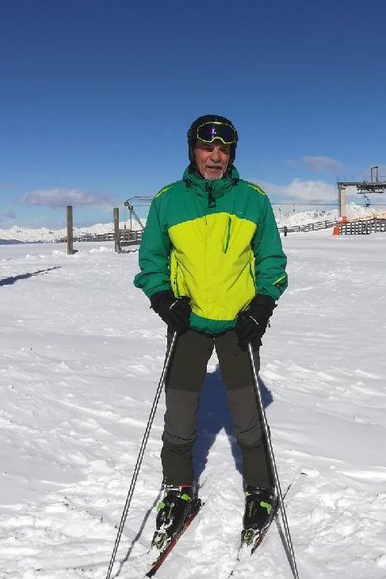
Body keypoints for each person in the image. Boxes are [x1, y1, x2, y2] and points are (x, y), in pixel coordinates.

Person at [133, 114, 288, 539]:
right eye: (207, 148)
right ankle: (179, 488)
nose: (215, 156)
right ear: (193, 150)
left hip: (240, 325)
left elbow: (272, 260)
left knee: (246, 415)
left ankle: (259, 489)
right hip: (189, 324)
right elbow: (152, 260)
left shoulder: (253, 199)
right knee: (180, 415)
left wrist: (262, 303)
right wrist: (162, 297)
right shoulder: (168, 201)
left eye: (223, 149)